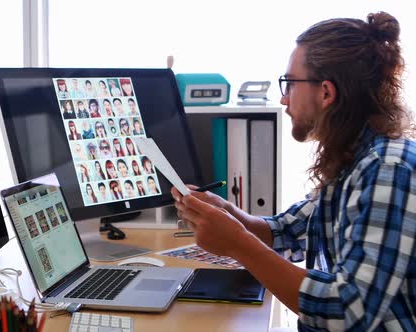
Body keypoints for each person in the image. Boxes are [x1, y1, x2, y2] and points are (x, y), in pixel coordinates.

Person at [172, 12, 416, 331]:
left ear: (326, 92)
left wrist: (237, 244)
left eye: (289, 84)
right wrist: (229, 215)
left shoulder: (387, 167)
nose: (283, 98)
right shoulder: (351, 156)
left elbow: (347, 313)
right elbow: (288, 232)